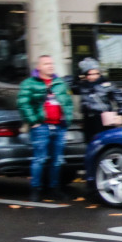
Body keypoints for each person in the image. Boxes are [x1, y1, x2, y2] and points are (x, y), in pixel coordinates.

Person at [18, 54, 74, 202]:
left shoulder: (59, 83)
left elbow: (68, 102)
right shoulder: (29, 83)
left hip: (59, 126)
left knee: (57, 160)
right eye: (46, 64)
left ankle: (54, 189)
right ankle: (36, 189)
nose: (50, 66)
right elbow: (23, 103)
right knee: (40, 159)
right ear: (39, 67)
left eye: (52, 63)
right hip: (41, 127)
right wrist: (33, 121)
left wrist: (67, 119)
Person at [74, 57, 122, 143]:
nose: (94, 76)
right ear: (85, 75)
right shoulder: (82, 86)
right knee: (91, 144)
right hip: (88, 120)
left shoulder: (107, 85)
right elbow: (69, 83)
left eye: (96, 73)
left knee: (106, 143)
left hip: (104, 120)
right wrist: (78, 75)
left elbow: (121, 100)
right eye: (90, 74)